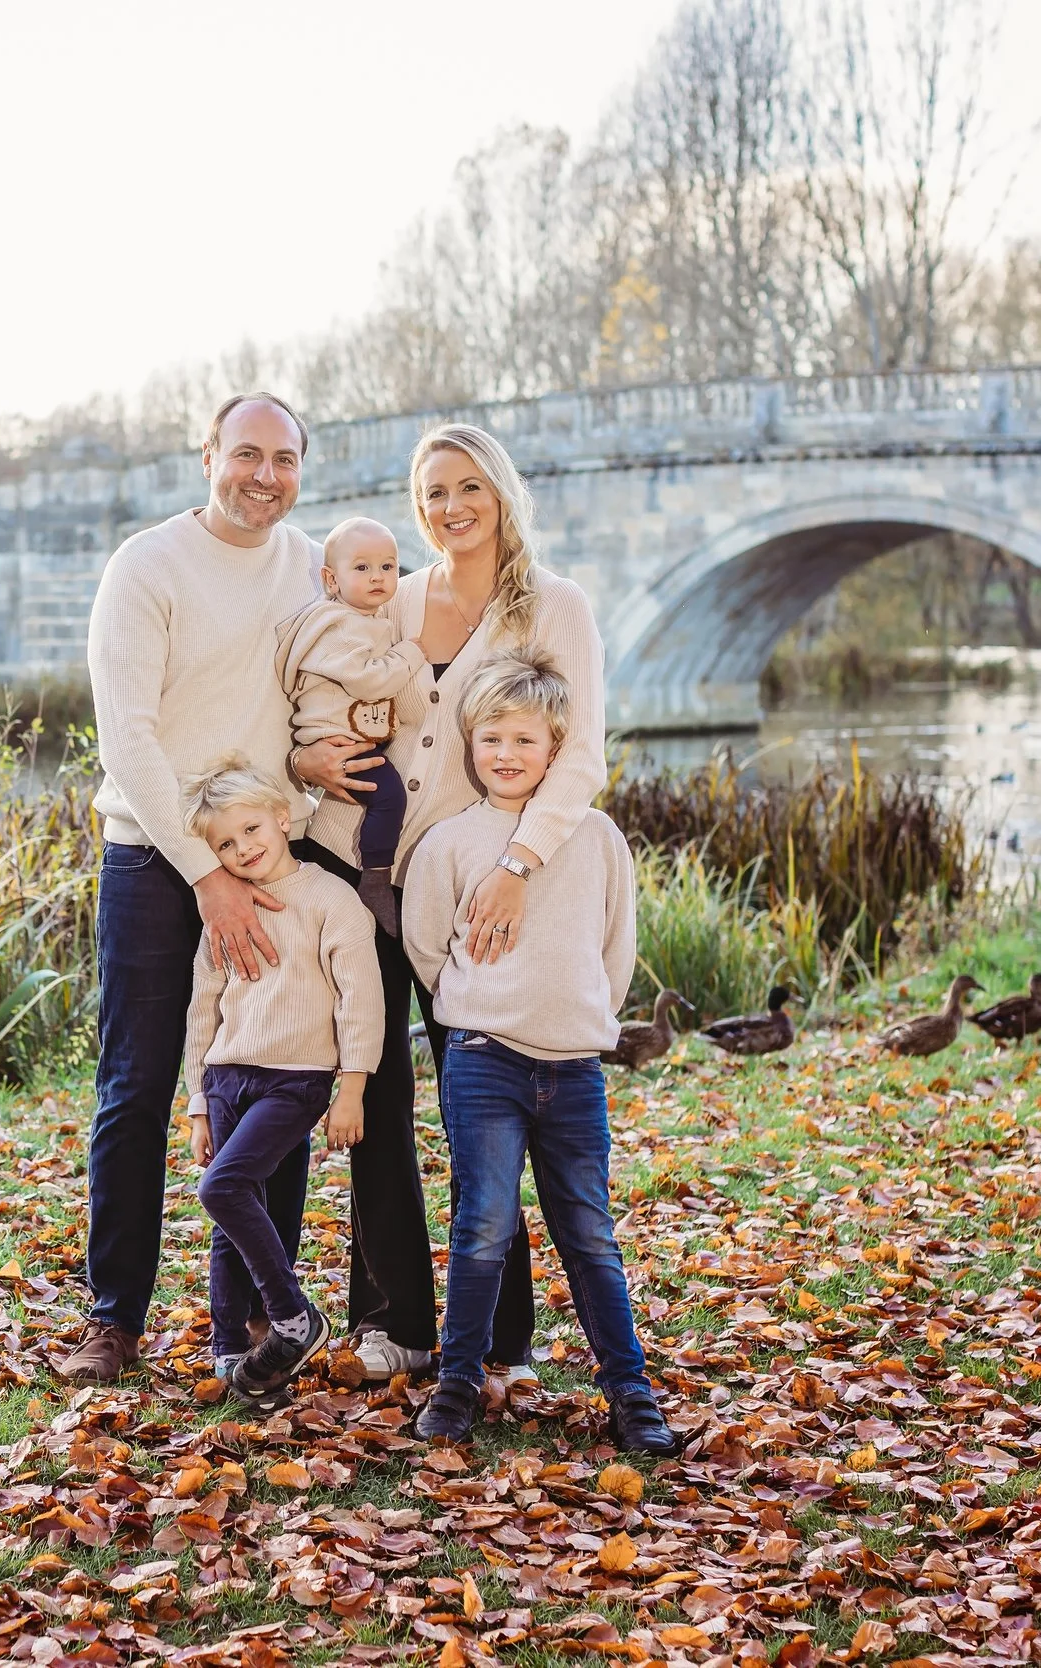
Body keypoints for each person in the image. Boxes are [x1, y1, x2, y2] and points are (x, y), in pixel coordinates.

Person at [289, 423, 609, 1388]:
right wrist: (305, 763)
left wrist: (517, 865)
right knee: (373, 1090)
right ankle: (394, 1320)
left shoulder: (553, 609)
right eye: (433, 492)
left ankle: (501, 1337)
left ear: (502, 491)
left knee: (482, 1097)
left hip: (475, 885)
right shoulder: (395, 595)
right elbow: (330, 693)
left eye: (469, 486)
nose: (450, 507)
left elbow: (581, 753)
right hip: (355, 863)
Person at [58, 392, 324, 1384]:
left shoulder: (310, 564)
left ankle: (257, 1314)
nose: (265, 475)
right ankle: (113, 1316)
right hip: (152, 858)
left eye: (284, 459)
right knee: (135, 1087)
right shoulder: (147, 567)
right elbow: (126, 738)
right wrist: (203, 870)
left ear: (302, 468)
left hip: (269, 858)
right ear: (207, 454)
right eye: (246, 454)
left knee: (272, 1079)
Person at [400, 652, 675, 1454]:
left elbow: (615, 949)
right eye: (492, 739)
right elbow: (425, 948)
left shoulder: (594, 837)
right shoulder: (451, 843)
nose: (508, 754)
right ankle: (458, 1383)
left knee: (589, 1230)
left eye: (526, 739)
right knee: (483, 1224)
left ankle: (630, 1392)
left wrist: (579, 1011)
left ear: (557, 749)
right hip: (484, 1061)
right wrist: (478, 1002)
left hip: (574, 1068)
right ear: (469, 745)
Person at [176, 759, 380, 1396]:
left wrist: (352, 1088)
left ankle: (294, 1318)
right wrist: (199, 1102)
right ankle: (230, 1344)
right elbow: (202, 1005)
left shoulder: (330, 900)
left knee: (223, 1187)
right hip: (228, 1074)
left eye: (252, 830)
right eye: (226, 845)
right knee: (235, 1211)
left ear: (283, 818)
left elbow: (360, 997)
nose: (244, 849)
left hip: (297, 1079)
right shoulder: (223, 911)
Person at [272, 516, 427, 936]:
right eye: (362, 568)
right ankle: (376, 878)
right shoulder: (337, 625)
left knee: (383, 795)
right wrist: (411, 654)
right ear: (331, 579)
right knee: (390, 796)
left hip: (348, 732)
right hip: (335, 738)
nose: (377, 577)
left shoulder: (368, 617)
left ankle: (374, 871)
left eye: (388, 566)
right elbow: (370, 678)